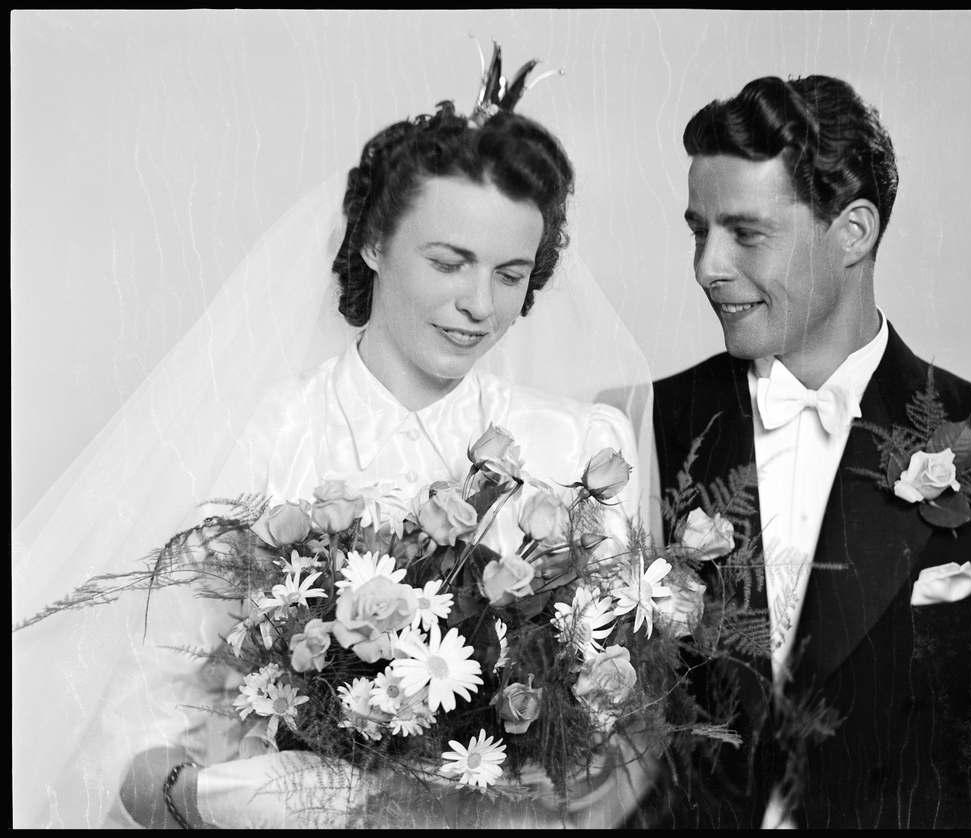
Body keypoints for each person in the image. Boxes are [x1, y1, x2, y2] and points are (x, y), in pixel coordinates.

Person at [12, 52, 653, 830]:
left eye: (511, 274)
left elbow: (621, 734)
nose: (480, 305)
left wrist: (559, 778)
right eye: (450, 262)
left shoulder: (580, 449)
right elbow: (133, 738)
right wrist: (221, 797)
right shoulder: (260, 441)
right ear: (374, 242)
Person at [638, 74, 971, 828]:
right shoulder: (646, 425)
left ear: (854, 231)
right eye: (699, 231)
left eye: (746, 233)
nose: (708, 266)